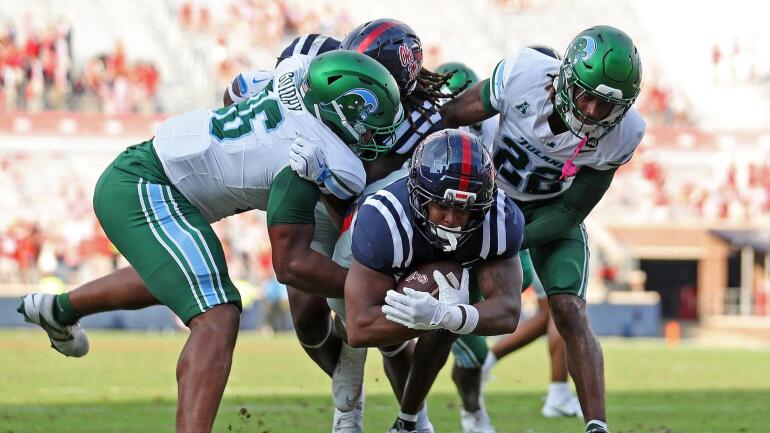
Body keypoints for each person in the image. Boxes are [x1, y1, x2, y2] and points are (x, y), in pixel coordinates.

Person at [17, 50, 404, 433]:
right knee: (218, 316)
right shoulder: (312, 155)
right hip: (145, 186)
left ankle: (59, 310)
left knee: (182, 278)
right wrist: (374, 287)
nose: (374, 139)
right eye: (369, 127)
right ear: (339, 114)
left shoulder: (292, 75)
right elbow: (291, 265)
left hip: (152, 173)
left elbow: (235, 90)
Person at [227, 19, 460, 433]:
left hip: (368, 210)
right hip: (314, 200)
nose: (358, 79)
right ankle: (348, 400)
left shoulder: (422, 118)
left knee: (383, 329)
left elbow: (365, 193)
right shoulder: (311, 56)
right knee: (306, 317)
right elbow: (241, 92)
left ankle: (412, 415)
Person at [441, 26, 645, 433]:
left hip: (550, 215)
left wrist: (511, 240)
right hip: (488, 205)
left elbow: (572, 211)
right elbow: (449, 118)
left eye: (604, 106)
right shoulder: (523, 74)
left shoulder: (625, 133)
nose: (589, 111)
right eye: (585, 95)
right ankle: (416, 415)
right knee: (450, 320)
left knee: (569, 310)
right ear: (565, 76)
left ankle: (597, 426)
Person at [337, 129, 525, 433]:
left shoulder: (500, 220)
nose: (452, 219)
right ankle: (350, 393)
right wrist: (431, 319)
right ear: (418, 195)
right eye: (442, 206)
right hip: (367, 253)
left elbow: (508, 311)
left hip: (430, 265)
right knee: (346, 326)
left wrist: (446, 316)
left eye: (465, 208)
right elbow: (360, 326)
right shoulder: (384, 218)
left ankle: (409, 421)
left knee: (450, 291)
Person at [439, 59, 583, 419]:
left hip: (494, 229)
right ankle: (408, 413)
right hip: (439, 236)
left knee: (548, 306)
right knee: (410, 327)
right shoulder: (461, 123)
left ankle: (472, 409)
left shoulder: (496, 128)